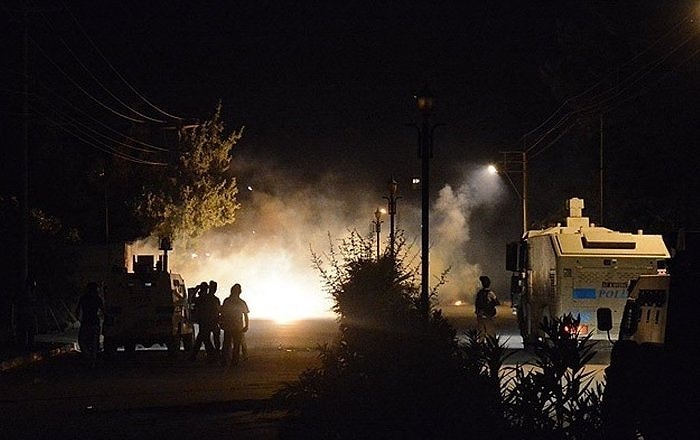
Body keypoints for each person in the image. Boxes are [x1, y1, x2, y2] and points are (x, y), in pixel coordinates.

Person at [219, 283, 249, 368]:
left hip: (228, 326)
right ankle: (234, 362)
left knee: (226, 345)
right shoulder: (241, 302)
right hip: (237, 327)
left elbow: (222, 313)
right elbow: (246, 315)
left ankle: (224, 361)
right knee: (236, 345)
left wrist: (221, 323)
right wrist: (246, 325)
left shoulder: (227, 301)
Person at [75, 282, 104, 368]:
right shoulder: (97, 298)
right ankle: (92, 362)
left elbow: (77, 310)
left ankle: (87, 357)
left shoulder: (84, 298)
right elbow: (103, 310)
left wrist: (79, 319)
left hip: (86, 322)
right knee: (94, 342)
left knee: (82, 340)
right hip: (94, 322)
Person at [189, 282, 220, 362]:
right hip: (210, 321)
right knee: (205, 339)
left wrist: (196, 289)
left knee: (203, 339)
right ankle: (213, 355)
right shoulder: (213, 299)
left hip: (205, 322)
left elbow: (192, 299)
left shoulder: (203, 299)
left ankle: (211, 355)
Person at [474, 275, 500, 342]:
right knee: (490, 332)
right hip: (488, 315)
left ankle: (480, 346)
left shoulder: (479, 293)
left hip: (480, 315)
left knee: (481, 333)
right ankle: (490, 348)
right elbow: (497, 302)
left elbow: (477, 304)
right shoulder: (490, 293)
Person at [208, 280, 221, 353]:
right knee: (216, 338)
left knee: (206, 338)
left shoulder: (205, 298)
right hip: (213, 321)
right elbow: (219, 310)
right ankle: (216, 352)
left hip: (208, 321)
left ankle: (213, 352)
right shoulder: (215, 299)